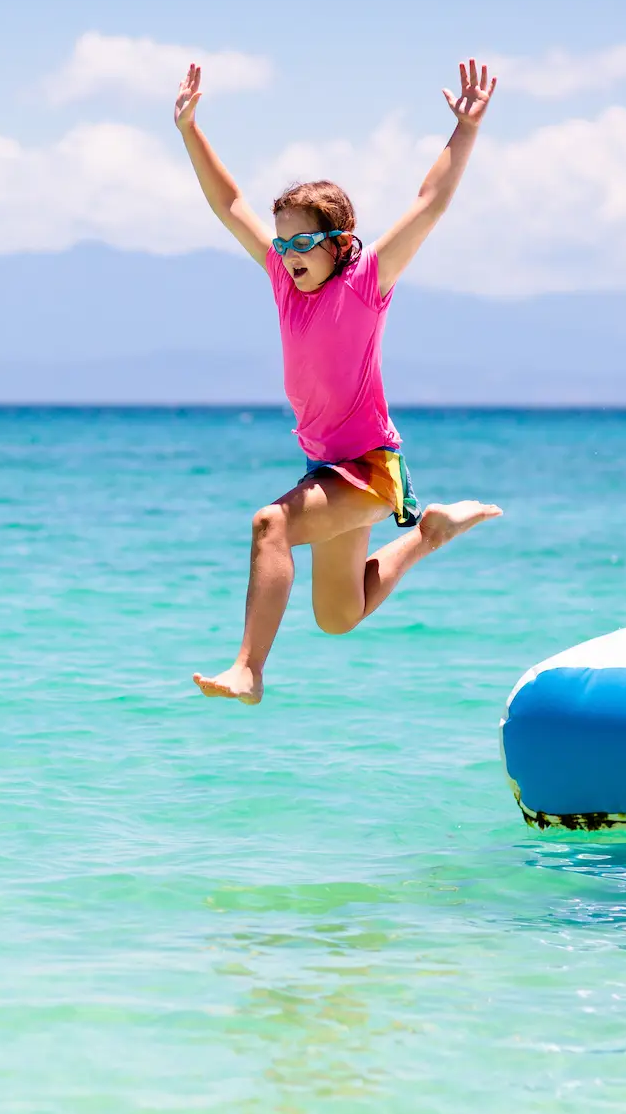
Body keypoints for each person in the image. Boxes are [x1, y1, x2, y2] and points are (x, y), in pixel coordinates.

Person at [175, 58, 503, 705]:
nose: (288, 254)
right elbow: (230, 203)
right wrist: (189, 129)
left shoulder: (365, 281)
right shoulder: (282, 281)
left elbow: (429, 202)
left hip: (369, 467)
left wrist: (464, 129)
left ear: (339, 243)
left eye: (303, 243)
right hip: (325, 466)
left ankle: (248, 669)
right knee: (338, 615)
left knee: (270, 525)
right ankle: (430, 534)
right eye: (282, 243)